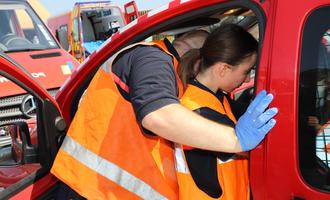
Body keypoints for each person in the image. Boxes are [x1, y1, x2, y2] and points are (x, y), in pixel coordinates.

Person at [51, 26, 277, 199]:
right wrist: (236, 140)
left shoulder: (178, 77)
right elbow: (158, 116)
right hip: (88, 188)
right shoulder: (152, 59)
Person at [175, 24, 271, 200]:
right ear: (223, 69)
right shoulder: (197, 112)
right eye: (246, 71)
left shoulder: (216, 98)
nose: (248, 78)